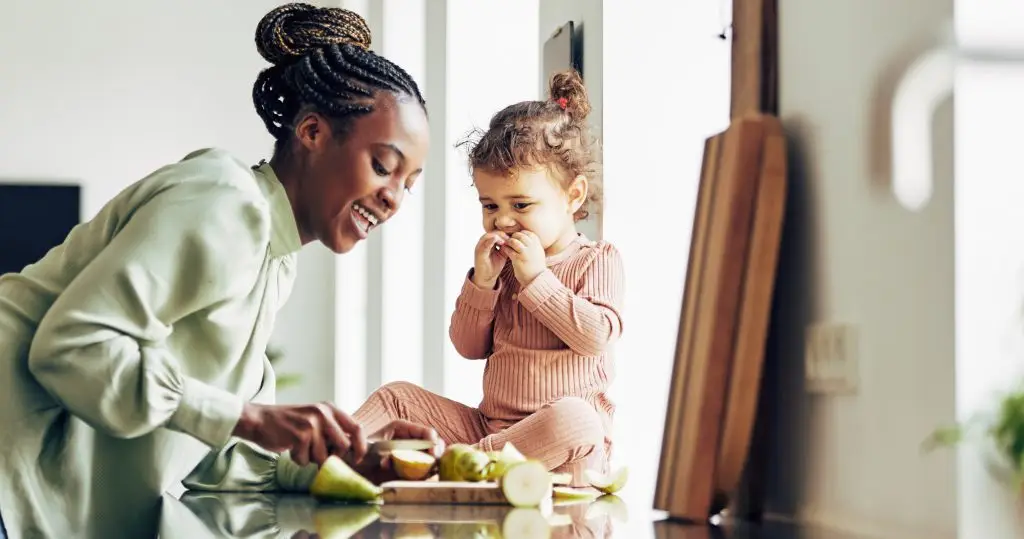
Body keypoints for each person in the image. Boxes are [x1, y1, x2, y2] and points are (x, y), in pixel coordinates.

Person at [0, 4, 439, 538]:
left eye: (409, 185)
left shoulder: (273, 264)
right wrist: (249, 417)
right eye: (383, 167)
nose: (393, 199)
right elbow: (71, 348)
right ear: (312, 132)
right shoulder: (224, 199)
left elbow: (210, 459)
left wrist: (351, 462)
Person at [352, 70, 625, 486]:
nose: (502, 219)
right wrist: (482, 284)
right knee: (396, 396)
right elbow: (467, 346)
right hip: (489, 429)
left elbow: (596, 336)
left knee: (579, 419)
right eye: (489, 205)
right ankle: (328, 453)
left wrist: (538, 282)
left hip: (556, 448)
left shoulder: (597, 259)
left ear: (573, 195)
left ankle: (456, 466)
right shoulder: (504, 270)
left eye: (521, 204)